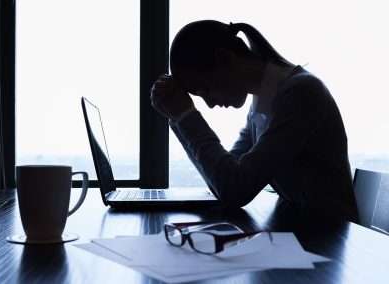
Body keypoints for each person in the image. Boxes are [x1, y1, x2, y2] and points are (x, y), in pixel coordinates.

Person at [150, 20, 358, 222]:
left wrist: (186, 117)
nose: (210, 104)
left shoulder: (301, 94)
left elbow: (234, 190)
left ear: (225, 59)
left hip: (329, 238)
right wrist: (179, 118)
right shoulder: (264, 102)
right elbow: (223, 180)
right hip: (306, 231)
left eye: (204, 89)